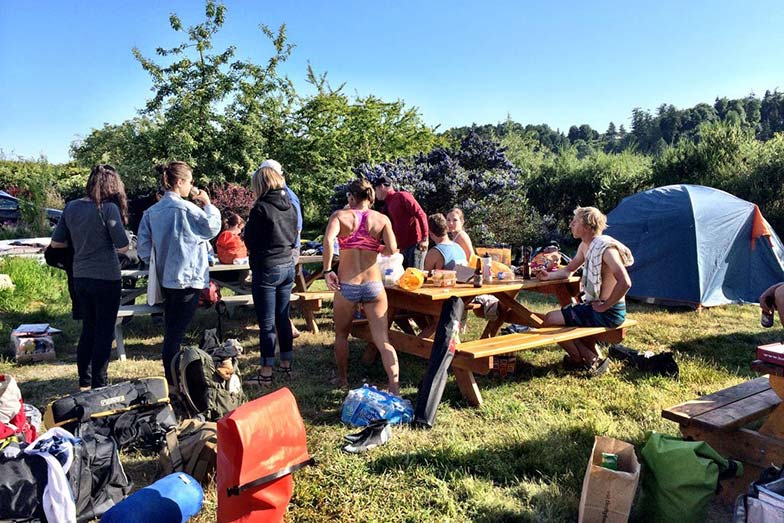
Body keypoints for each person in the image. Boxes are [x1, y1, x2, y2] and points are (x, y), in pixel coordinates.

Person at [137, 162, 221, 386]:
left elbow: (143, 247)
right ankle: (173, 381)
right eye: (190, 181)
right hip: (189, 277)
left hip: (165, 277)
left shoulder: (151, 212)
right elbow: (212, 227)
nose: (192, 186)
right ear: (180, 182)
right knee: (175, 333)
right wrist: (208, 204)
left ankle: (174, 377)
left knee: (172, 328)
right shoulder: (188, 209)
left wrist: (155, 261)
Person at [50, 164, 130, 390]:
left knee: (88, 329)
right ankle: (99, 383)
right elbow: (122, 246)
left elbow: (57, 243)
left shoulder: (71, 207)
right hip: (106, 277)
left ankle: (83, 383)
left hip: (80, 277)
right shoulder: (108, 209)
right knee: (104, 332)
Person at [323, 178, 400, 394]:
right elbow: (393, 248)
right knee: (383, 340)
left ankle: (343, 379)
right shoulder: (382, 219)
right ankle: (394, 386)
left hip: (348, 284)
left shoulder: (340, 216)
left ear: (351, 197)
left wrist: (328, 270)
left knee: (341, 335)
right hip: (374, 285)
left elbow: (328, 240)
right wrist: (377, 248)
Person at [536, 206, 633, 375]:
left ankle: (583, 358)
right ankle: (583, 357)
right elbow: (568, 270)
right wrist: (548, 277)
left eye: (576, 221)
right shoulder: (585, 246)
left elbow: (625, 282)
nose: (571, 224)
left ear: (588, 226)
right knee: (555, 318)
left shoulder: (606, 249)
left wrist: (605, 306)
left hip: (609, 312)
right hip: (594, 307)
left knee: (550, 320)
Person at [243, 162, 298, 387]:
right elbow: (294, 236)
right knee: (282, 318)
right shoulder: (291, 206)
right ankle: (287, 366)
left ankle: (266, 373)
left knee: (266, 324)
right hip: (287, 264)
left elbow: (250, 240)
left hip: (267, 266)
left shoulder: (261, 208)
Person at [258, 159, 303, 338]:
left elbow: (296, 226)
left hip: (284, 251)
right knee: (279, 297)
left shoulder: (287, 197)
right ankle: (287, 332)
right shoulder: (280, 195)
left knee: (277, 298)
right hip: (286, 250)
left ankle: (279, 338)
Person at [372, 175, 428, 269]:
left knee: (414, 277)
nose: (375, 193)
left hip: (414, 245)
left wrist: (425, 239)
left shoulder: (402, 196)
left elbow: (421, 214)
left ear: (382, 187)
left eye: (375, 189)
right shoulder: (387, 205)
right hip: (401, 248)